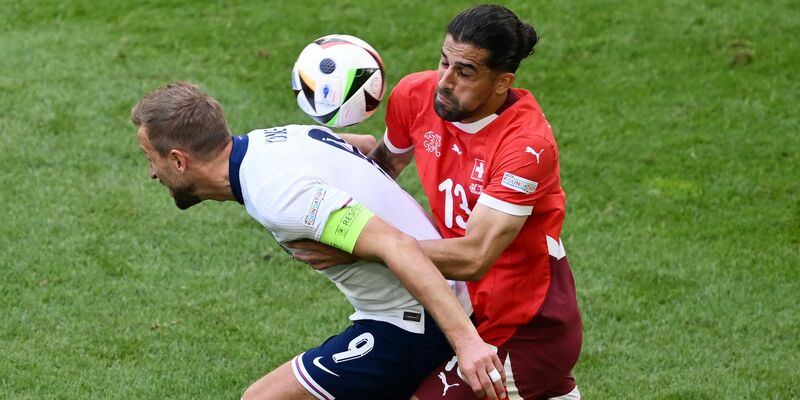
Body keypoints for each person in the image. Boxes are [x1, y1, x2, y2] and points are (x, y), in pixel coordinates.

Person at [130, 81, 508, 400]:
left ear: (179, 161)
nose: (151, 173)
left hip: (413, 324)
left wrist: (467, 343)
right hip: (426, 303)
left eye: (152, 158)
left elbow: (399, 246)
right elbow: (361, 143)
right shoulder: (274, 140)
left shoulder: (279, 196)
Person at [289, 4, 582, 399]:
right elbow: (382, 171)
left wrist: (361, 251)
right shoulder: (415, 95)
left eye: (465, 72)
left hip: (527, 326)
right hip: (459, 308)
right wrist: (329, 157)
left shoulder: (525, 148)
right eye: (444, 61)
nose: (443, 81)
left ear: (502, 82)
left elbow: (475, 257)